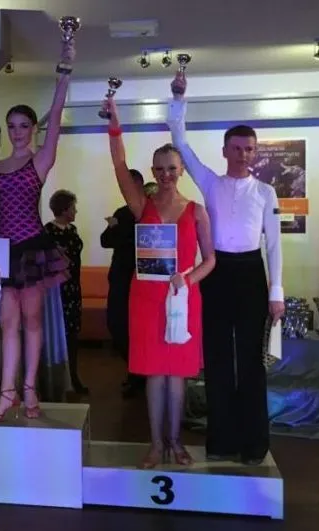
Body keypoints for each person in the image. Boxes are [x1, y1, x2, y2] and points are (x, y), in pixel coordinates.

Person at [167, 73, 284, 465]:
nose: (242, 154)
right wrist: (178, 98)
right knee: (217, 357)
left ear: (256, 152)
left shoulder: (266, 192)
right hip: (216, 272)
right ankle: (221, 441)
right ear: (224, 150)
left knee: (250, 361)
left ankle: (254, 444)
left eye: (249, 149)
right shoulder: (210, 182)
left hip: (251, 274)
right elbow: (180, 141)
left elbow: (274, 245)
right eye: (236, 148)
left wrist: (277, 293)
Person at [105, 97, 215, 466]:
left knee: (177, 374)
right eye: (159, 169)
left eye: (171, 168)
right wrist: (114, 123)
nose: (165, 174)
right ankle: (156, 444)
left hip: (182, 297)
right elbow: (119, 165)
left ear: (181, 169)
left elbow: (210, 259)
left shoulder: (197, 211)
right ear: (153, 171)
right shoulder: (142, 206)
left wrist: (188, 279)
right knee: (154, 373)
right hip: (146, 298)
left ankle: (176, 442)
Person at [0, 40, 75, 423]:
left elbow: (56, 121)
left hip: (33, 248)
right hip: (3, 251)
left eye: (24, 126)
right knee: (8, 324)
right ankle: (7, 394)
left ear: (33, 128)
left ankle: (30, 390)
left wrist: (63, 75)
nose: (17, 132)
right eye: (12, 126)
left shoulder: (40, 160)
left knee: (32, 321)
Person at [101, 169, 145, 398]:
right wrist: (113, 226)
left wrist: (119, 229)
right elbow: (105, 241)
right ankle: (135, 371)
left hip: (142, 279)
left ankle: (139, 376)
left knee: (139, 330)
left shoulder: (149, 211)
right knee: (116, 325)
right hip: (120, 278)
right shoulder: (122, 212)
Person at [45, 189, 88, 394]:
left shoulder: (73, 230)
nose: (75, 211)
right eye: (72, 207)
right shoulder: (48, 232)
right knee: (56, 332)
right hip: (56, 290)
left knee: (72, 334)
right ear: (63, 210)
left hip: (73, 289)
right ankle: (56, 378)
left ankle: (73, 375)